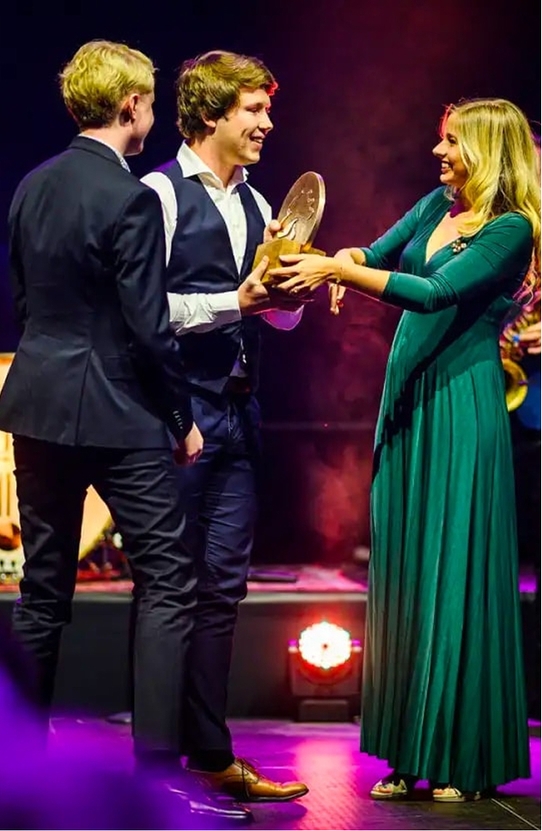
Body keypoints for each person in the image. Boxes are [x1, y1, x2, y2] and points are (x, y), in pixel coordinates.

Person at [0, 39, 249, 823]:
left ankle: (19, 770)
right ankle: (158, 774)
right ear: (130, 106)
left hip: (36, 406)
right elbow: (148, 329)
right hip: (116, 413)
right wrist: (181, 421)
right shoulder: (131, 196)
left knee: (42, 591)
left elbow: (26, 304)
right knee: (169, 579)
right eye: (147, 103)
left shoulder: (32, 185)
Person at [269, 97, 539, 801]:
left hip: (460, 403)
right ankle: (405, 749)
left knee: (454, 566)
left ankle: (461, 757)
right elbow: (377, 254)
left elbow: (432, 292)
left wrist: (335, 273)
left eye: (452, 142)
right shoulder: (435, 205)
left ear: (488, 150)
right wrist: (339, 259)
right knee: (406, 568)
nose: (438, 152)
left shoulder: (511, 228)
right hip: (409, 401)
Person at [141, 50, 309, 803]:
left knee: (223, 592)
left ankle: (208, 755)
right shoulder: (160, 195)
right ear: (211, 114)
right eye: (254, 110)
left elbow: (277, 318)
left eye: (268, 110)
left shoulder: (256, 200)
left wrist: (288, 290)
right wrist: (233, 301)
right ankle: (152, 773)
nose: (268, 123)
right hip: (176, 417)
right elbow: (144, 312)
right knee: (168, 591)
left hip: (239, 416)